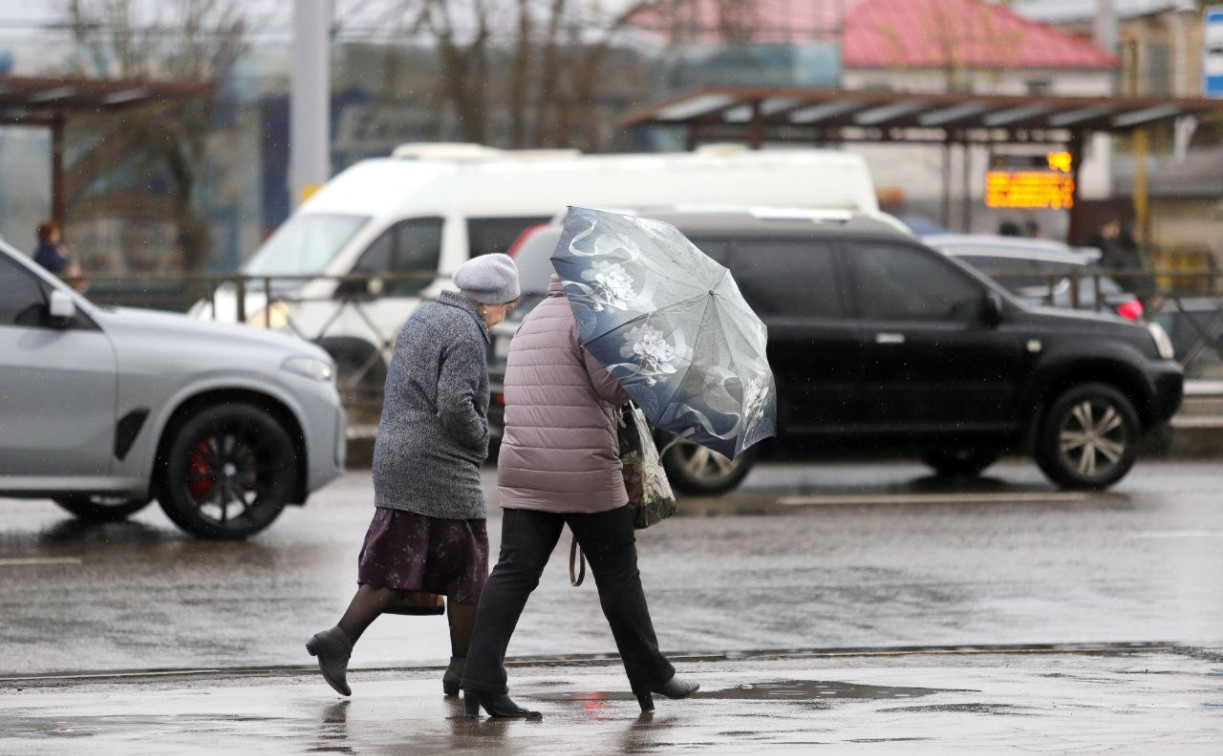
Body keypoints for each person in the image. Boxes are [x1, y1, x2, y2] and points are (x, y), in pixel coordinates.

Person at [459, 273, 699, 719]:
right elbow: (612, 388)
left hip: (526, 467)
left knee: (512, 574)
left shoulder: (532, 320)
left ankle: (481, 678)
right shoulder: (591, 322)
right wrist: (639, 359)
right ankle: (650, 672)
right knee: (619, 575)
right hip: (582, 467)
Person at [307, 254, 520, 698]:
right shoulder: (465, 333)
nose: (507, 314)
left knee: (402, 561)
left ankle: (344, 642)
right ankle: (458, 668)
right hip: (437, 465)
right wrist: (483, 440)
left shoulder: (426, 315)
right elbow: (455, 405)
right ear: (488, 302)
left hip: (398, 454)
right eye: (507, 305)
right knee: (467, 567)